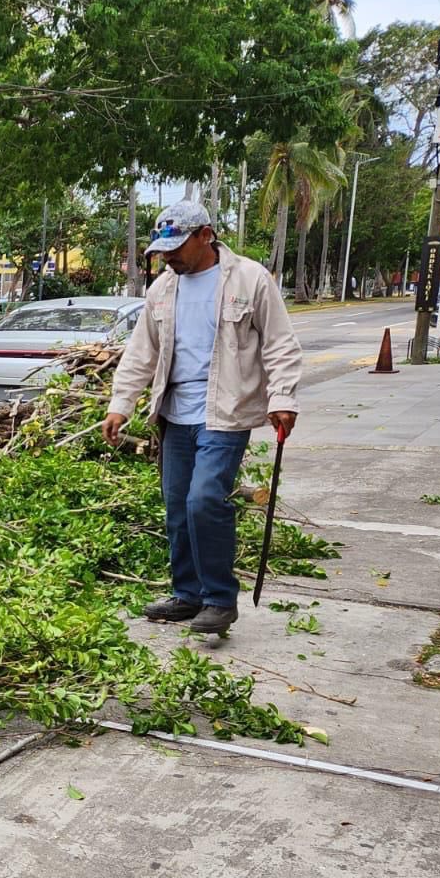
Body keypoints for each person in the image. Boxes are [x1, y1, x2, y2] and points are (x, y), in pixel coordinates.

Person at [100, 200, 301, 636]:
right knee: (177, 506)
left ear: (205, 235)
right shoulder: (161, 290)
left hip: (224, 414)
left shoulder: (249, 280)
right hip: (176, 415)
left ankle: (219, 600)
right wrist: (121, 404)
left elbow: (280, 343)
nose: (168, 257)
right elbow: (141, 353)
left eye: (176, 247)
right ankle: (187, 594)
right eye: (162, 250)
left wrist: (282, 397)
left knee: (205, 499)